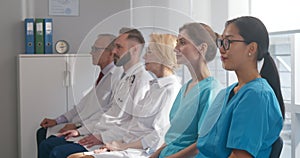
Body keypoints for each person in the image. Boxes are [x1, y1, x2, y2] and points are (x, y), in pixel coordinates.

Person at [38, 28, 153, 158]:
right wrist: (82, 130)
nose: (114, 51)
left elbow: (133, 124)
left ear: (134, 49)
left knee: (57, 152)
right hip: (99, 133)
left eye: (119, 47)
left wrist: (100, 136)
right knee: (50, 145)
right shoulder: (125, 79)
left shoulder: (142, 81)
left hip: (115, 140)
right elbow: (109, 114)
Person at [67, 33, 182, 158]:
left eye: (149, 52)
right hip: (125, 143)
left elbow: (158, 135)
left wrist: (120, 146)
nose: (144, 57)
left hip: (140, 151)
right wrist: (113, 144)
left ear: (161, 57)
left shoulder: (171, 90)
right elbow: (132, 125)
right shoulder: (154, 86)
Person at [195, 16, 284, 157]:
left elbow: (239, 156)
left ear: (252, 48)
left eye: (228, 42)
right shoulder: (228, 92)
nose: (221, 49)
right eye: (221, 42)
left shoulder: (256, 96)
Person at [150, 23, 221, 158]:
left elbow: (202, 144)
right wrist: (155, 155)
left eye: (182, 42)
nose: (175, 48)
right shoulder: (186, 88)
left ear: (202, 48)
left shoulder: (211, 90)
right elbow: (173, 136)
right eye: (176, 42)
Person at [36, 34, 120, 146]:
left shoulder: (117, 78)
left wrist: (78, 126)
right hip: (81, 125)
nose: (91, 53)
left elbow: (107, 113)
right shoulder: (103, 76)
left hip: (93, 129)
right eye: (92, 49)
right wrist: (57, 120)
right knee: (41, 133)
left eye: (96, 49)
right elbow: (81, 106)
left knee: (49, 145)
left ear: (111, 52)